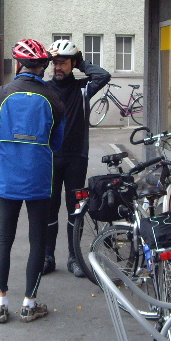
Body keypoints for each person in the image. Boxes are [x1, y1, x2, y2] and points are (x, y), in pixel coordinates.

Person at [0, 39, 65, 324]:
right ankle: (29, 304)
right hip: (39, 177)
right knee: (38, 239)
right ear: (42, 67)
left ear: (18, 64)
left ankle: (0, 303)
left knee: (4, 238)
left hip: (7, 175)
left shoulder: (0, 94)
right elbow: (57, 143)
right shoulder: (54, 99)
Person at [43, 39, 110, 277]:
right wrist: (45, 61)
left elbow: (103, 75)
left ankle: (74, 258)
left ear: (72, 64)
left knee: (76, 210)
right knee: (49, 209)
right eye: (55, 63)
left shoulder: (83, 88)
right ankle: (47, 256)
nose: (57, 67)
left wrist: (81, 61)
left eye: (63, 63)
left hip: (76, 158)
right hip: (51, 157)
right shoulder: (45, 88)